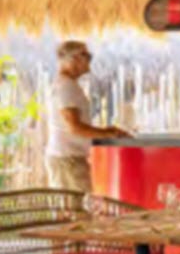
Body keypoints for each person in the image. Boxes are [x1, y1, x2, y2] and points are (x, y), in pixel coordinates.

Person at [46, 40, 131, 192]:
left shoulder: (68, 85)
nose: (89, 60)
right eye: (86, 55)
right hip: (68, 159)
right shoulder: (66, 87)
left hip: (69, 157)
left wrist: (107, 131)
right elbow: (75, 127)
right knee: (77, 205)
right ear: (74, 59)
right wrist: (108, 133)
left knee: (78, 203)